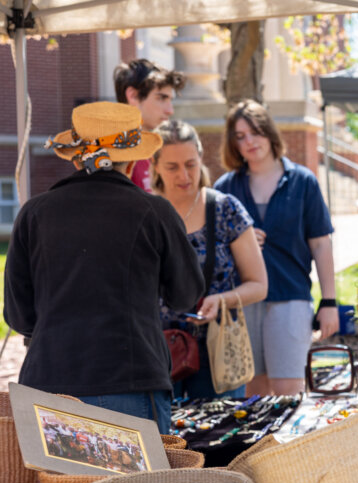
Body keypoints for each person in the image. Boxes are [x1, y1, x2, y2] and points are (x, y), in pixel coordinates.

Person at [4, 102, 205, 433]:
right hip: (130, 381)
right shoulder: (154, 211)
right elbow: (186, 295)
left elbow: (19, 317)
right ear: (133, 159)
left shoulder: (33, 213)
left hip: (49, 381)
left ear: (75, 156)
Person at [214, 99, 339, 395]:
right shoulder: (224, 189)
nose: (249, 142)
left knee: (288, 392)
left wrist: (330, 302)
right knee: (252, 395)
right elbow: (210, 249)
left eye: (255, 133)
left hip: (290, 298)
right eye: (240, 137)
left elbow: (321, 244)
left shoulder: (302, 182)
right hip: (241, 303)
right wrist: (238, 245)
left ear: (269, 133)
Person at [152, 119, 268, 399]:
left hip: (219, 351)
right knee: (166, 441)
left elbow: (259, 285)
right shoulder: (145, 214)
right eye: (172, 166)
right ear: (154, 165)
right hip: (158, 352)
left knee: (222, 438)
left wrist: (221, 300)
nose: (184, 175)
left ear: (201, 158)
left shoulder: (225, 209)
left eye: (191, 164)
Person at [113, 58, 186, 193]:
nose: (170, 110)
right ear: (133, 96)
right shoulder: (112, 157)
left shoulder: (157, 149)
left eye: (170, 100)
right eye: (161, 98)